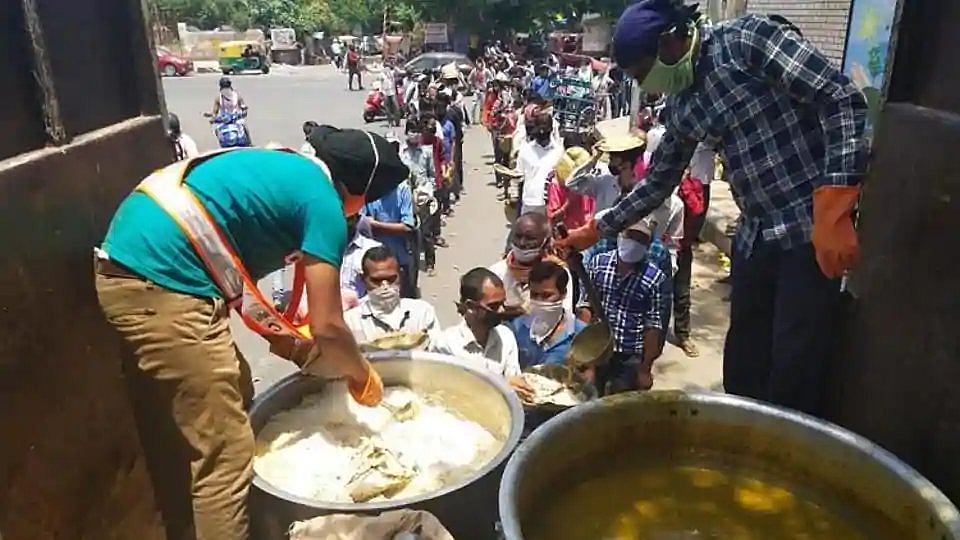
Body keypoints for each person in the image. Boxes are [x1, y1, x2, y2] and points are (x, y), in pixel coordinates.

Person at [94, 126, 408, 539]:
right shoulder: (324, 204)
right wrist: (361, 374)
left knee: (237, 390)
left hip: (140, 265)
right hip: (159, 283)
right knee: (227, 455)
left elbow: (249, 291)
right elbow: (328, 325)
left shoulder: (288, 170)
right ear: (357, 192)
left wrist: (302, 354)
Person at [562, 0, 868, 414]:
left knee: (795, 367)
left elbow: (840, 98)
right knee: (743, 364)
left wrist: (835, 201)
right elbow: (658, 182)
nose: (648, 86)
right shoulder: (684, 104)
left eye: (643, 73)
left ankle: (784, 458)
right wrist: (598, 228)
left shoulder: (748, 42)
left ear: (671, 41)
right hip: (755, 233)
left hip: (807, 230)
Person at [579, 219, 666, 394]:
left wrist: (645, 369)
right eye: (630, 236)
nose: (634, 243)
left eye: (641, 240)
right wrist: (586, 360)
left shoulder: (654, 278)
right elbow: (585, 307)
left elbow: (653, 324)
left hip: (629, 354)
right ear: (620, 236)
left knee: (619, 405)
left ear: (648, 246)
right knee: (589, 398)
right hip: (597, 349)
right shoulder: (598, 264)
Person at [433, 268, 521, 379]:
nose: (501, 311)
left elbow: (515, 381)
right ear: (470, 306)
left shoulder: (506, 337)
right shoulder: (445, 345)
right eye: (494, 306)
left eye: (503, 304)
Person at [344, 246, 439, 344]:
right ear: (363, 279)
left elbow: (435, 352)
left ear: (401, 276)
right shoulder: (351, 322)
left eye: (391, 279)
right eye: (376, 280)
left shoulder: (422, 313)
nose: (385, 286)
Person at [490, 212, 573, 315]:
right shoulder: (495, 273)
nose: (522, 243)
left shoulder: (558, 273)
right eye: (518, 236)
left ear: (546, 241)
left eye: (530, 238)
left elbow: (565, 314)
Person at [509, 261, 587, 369]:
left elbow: (587, 374)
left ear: (563, 294)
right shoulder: (517, 328)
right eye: (535, 295)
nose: (539, 301)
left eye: (547, 295)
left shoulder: (579, 333)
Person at [362, 166, 416, 298]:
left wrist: (376, 226)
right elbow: (361, 223)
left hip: (400, 258)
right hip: (375, 263)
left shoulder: (402, 189)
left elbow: (408, 227)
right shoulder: (369, 191)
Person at [400, 120, 439, 276]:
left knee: (426, 231)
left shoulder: (426, 152)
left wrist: (430, 192)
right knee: (409, 231)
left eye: (417, 131)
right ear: (406, 133)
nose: (414, 134)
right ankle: (412, 264)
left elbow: (432, 175)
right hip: (407, 197)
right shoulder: (401, 152)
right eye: (411, 131)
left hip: (423, 196)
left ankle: (430, 263)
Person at [516, 112, 563, 216]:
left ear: (551, 131)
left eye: (544, 132)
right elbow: (519, 176)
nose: (542, 136)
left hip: (552, 205)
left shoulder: (559, 152)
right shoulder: (525, 150)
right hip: (530, 202)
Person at [547, 146, 596, 231]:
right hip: (568, 234)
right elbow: (553, 219)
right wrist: (568, 203)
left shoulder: (591, 181)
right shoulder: (556, 185)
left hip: (589, 232)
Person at [339, 214, 382, 300]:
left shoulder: (372, 249)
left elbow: (380, 290)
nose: (342, 223)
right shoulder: (321, 250)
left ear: (357, 219)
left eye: (348, 219)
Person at [379, 59, 400, 127]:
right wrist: (381, 92)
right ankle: (390, 121)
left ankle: (397, 121)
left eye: (388, 65)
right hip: (385, 92)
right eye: (386, 65)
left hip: (392, 92)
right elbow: (380, 83)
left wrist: (394, 65)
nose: (387, 67)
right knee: (387, 108)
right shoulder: (382, 74)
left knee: (396, 107)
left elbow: (399, 71)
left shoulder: (392, 72)